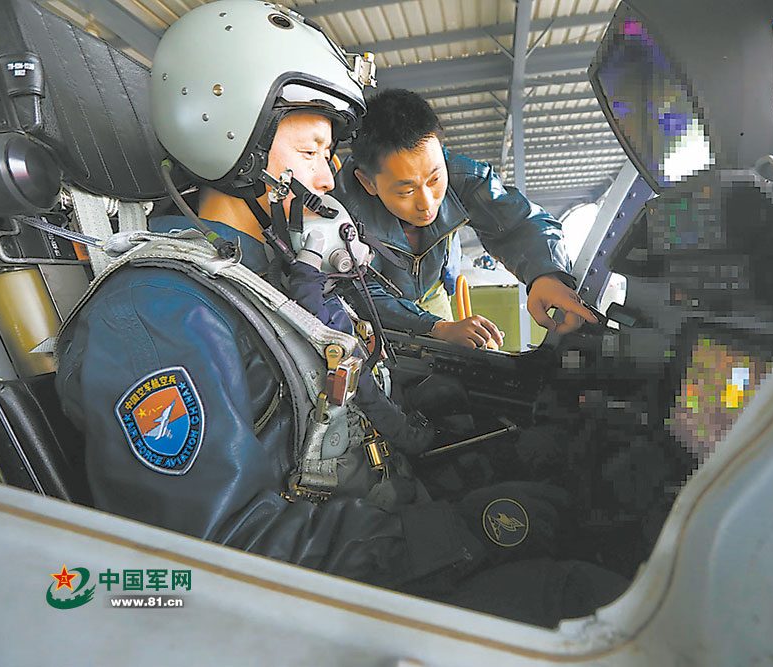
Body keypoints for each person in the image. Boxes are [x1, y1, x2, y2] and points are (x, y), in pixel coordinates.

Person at [55, 0, 624, 627]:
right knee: (581, 597)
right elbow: (220, 557)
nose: (328, 180)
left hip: (366, 519)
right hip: (316, 606)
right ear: (229, 141)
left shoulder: (274, 276)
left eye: (329, 155)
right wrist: (455, 531)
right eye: (311, 152)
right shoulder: (158, 317)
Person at [331, 88, 598, 349]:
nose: (427, 203)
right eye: (407, 191)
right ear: (368, 183)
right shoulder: (341, 212)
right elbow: (356, 291)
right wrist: (435, 327)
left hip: (432, 293)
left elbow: (519, 223)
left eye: (435, 179)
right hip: (372, 308)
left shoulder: (465, 177)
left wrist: (546, 274)